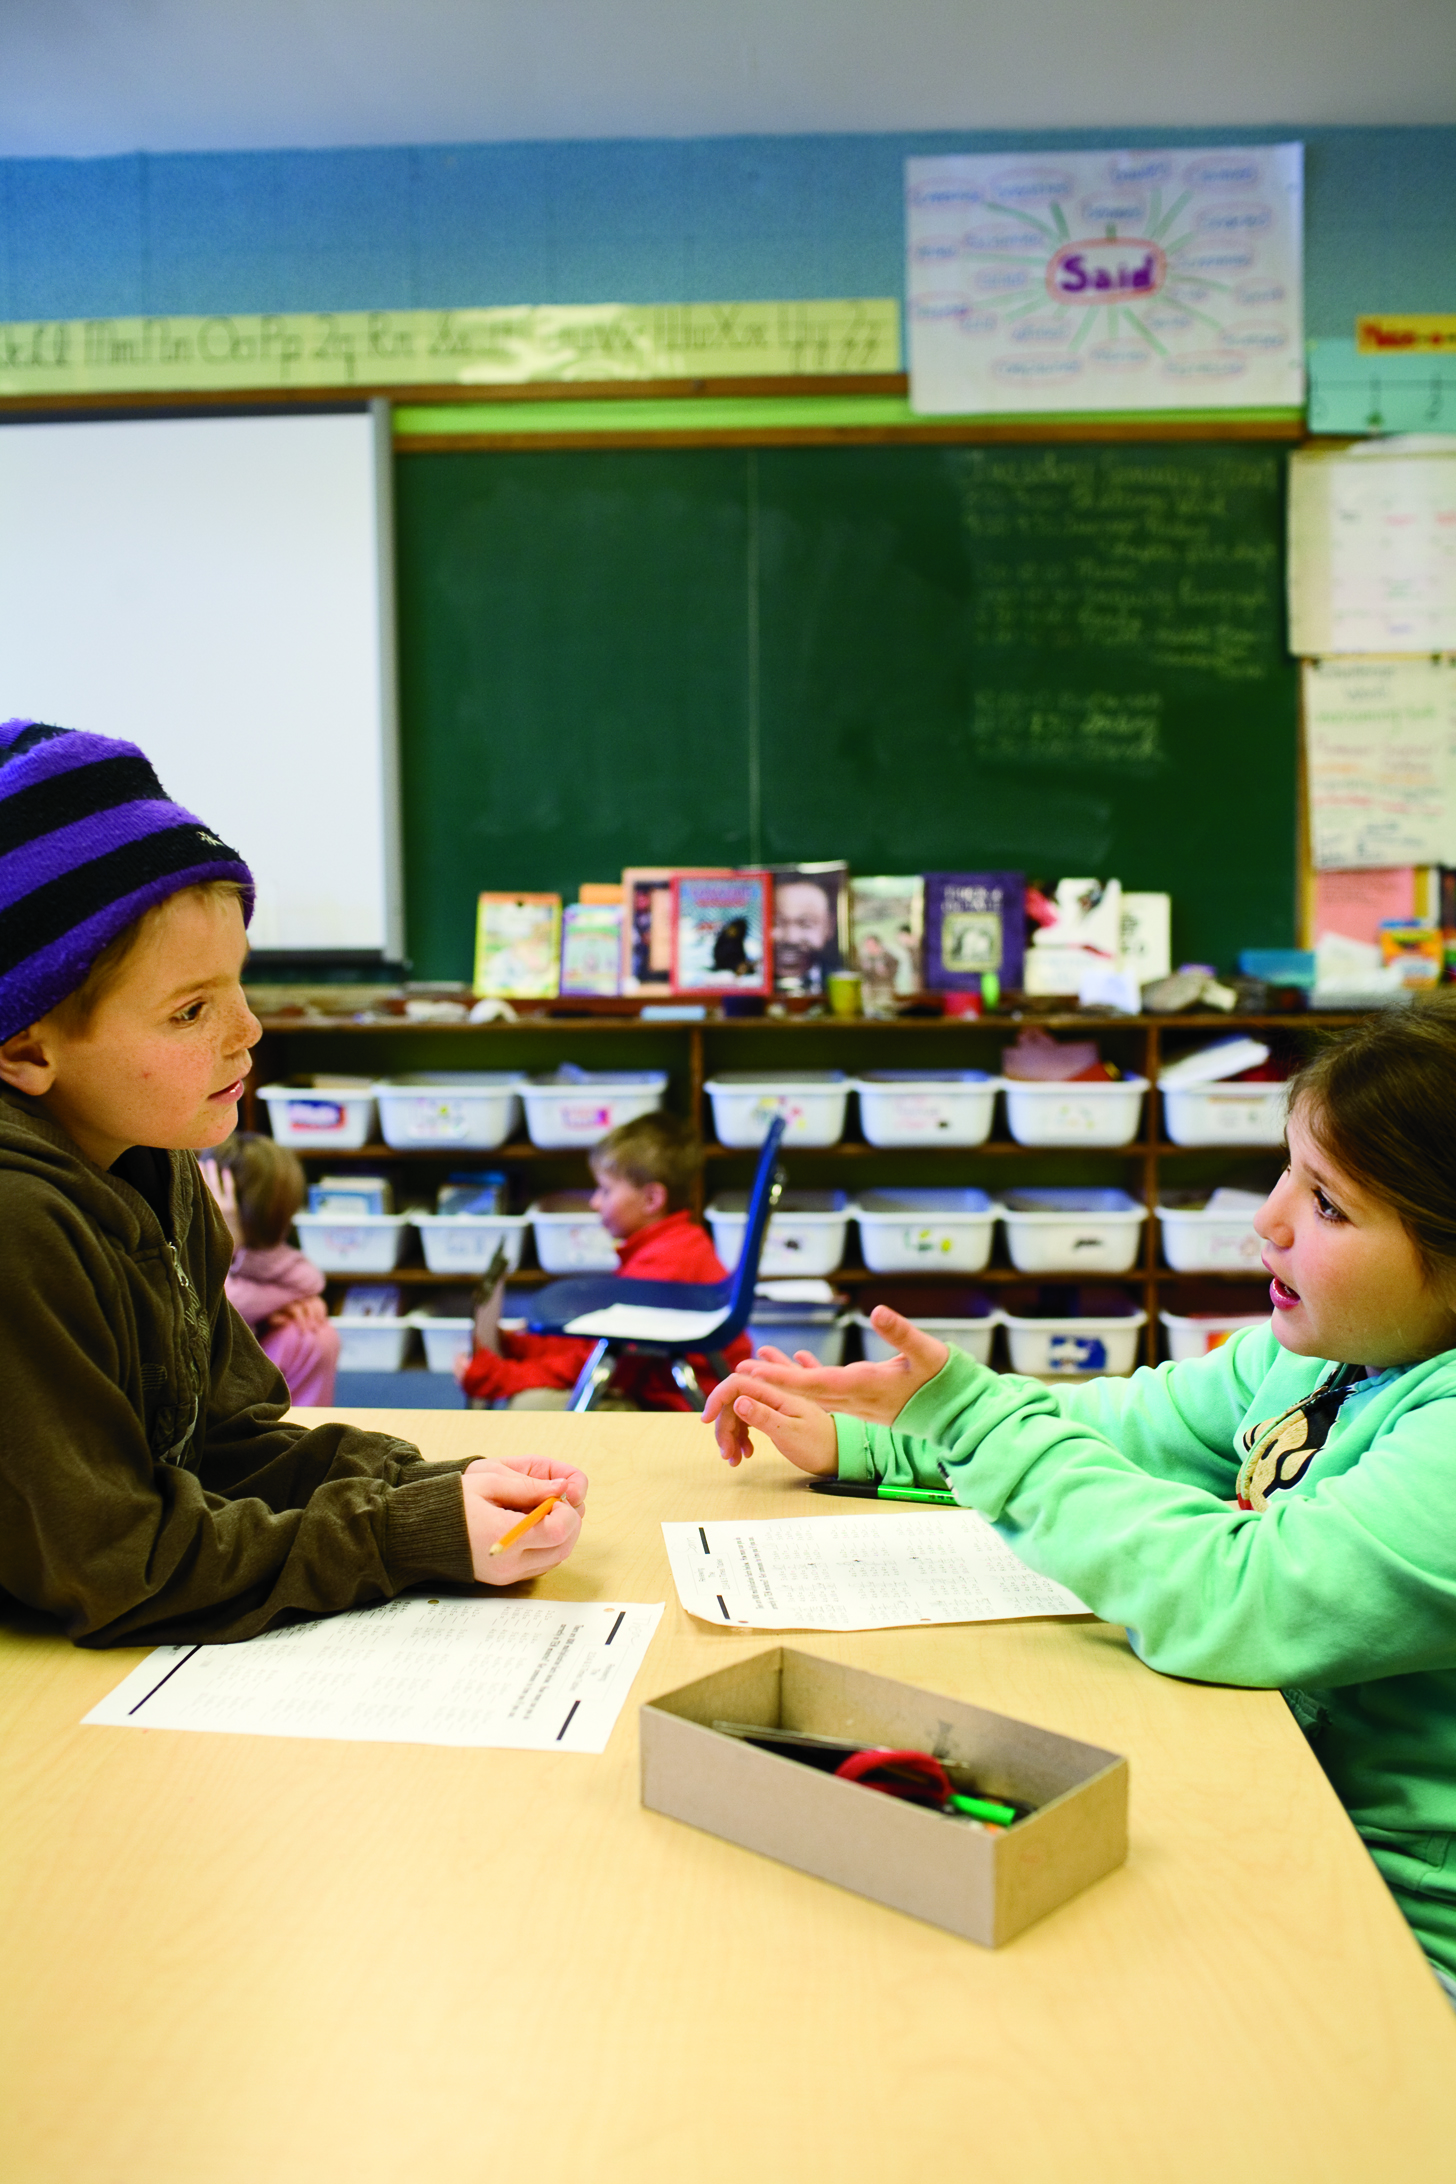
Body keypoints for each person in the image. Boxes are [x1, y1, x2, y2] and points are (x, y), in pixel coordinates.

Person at [704, 996, 1456, 2002]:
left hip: (1393, 1927)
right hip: (1275, 1805)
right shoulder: (1323, 1355)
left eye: (1326, 1205)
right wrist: (882, 1429)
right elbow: (1113, 1427)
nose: (1264, 1224)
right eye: (1285, 1171)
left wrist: (968, 1421)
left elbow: (1244, 1602)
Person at [0, 717, 583, 1647]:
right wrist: (404, 1536)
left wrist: (430, 1488)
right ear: (27, 1049)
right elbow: (122, 1567)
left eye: (238, 981)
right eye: (190, 1009)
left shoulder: (154, 1157)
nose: (246, 1031)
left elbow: (220, 1444)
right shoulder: (18, 1222)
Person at [456, 1110, 752, 1410]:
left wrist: (500, 1377)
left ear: (651, 1199)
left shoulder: (662, 1267)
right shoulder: (672, 1244)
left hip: (671, 1405)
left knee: (530, 1407)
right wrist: (523, 1347)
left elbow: (607, 1364)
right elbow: (599, 1338)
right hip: (654, 1381)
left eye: (606, 1190)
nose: (595, 1201)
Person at [202, 1132, 339, 1407]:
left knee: (312, 1336)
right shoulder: (178, 1244)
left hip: (249, 1371)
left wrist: (239, 1249)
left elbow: (308, 1280)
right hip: (204, 1384)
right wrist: (225, 1241)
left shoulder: (263, 1256)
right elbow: (215, 1304)